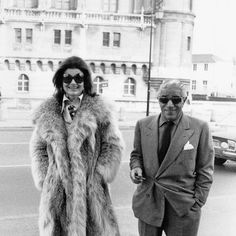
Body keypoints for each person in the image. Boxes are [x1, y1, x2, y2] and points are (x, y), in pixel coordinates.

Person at [30, 56, 124, 236]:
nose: (73, 82)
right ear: (60, 81)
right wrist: (45, 176)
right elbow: (38, 147)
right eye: (67, 78)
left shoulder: (99, 110)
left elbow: (113, 144)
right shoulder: (48, 111)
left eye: (78, 78)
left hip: (90, 191)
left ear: (85, 81)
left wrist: (99, 174)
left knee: (95, 229)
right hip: (57, 190)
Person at [129, 80, 214, 236]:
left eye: (176, 99)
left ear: (185, 99)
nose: (169, 104)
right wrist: (136, 167)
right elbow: (137, 154)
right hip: (149, 203)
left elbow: (205, 169)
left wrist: (197, 202)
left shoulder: (200, 128)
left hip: (183, 208)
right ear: (158, 100)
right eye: (163, 99)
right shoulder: (143, 124)